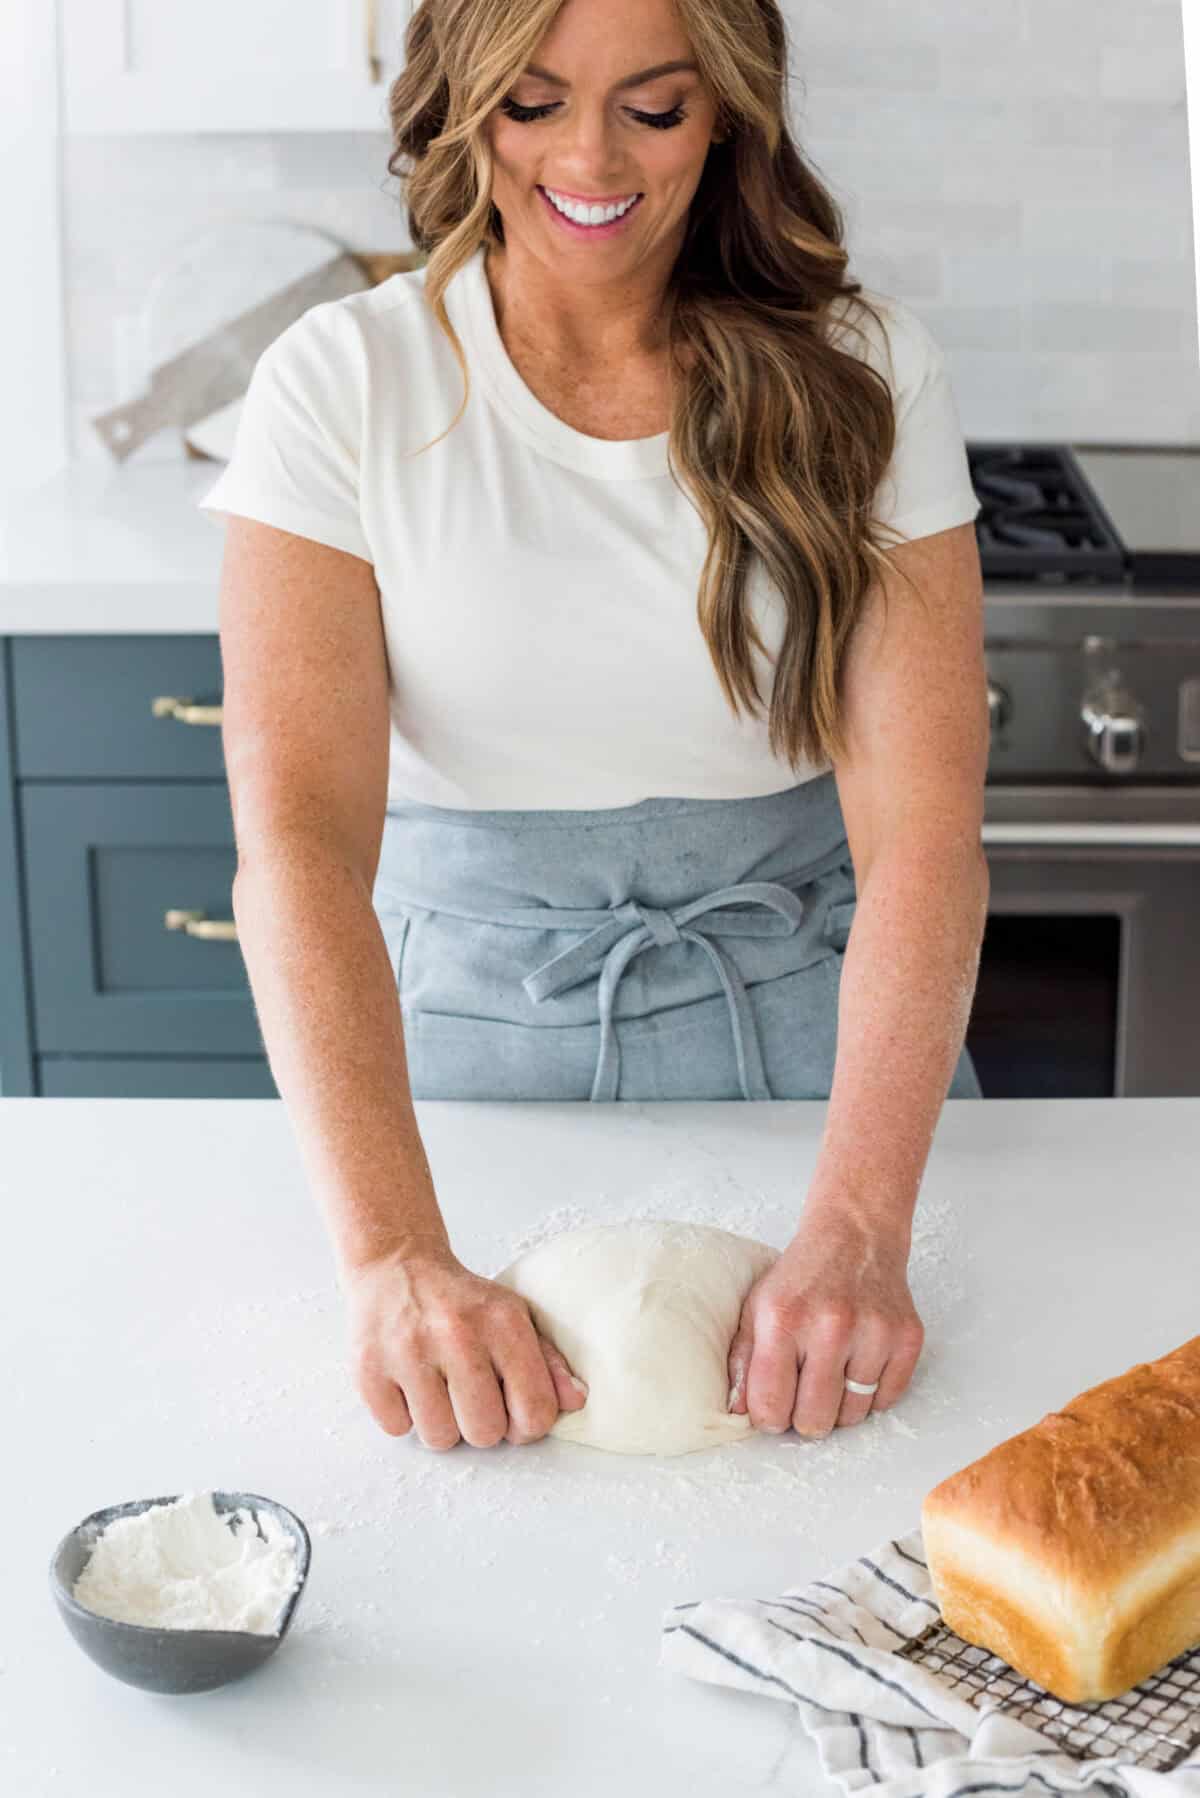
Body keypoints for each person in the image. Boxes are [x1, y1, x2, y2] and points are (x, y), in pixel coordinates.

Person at [199, 0, 989, 1458]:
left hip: (818, 1049)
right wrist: (389, 1256)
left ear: (729, 116)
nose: (590, 157)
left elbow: (927, 832)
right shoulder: (345, 383)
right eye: (533, 102)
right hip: (460, 1075)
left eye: (654, 106)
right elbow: (298, 841)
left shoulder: (867, 371)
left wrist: (865, 1227)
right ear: (462, 105)